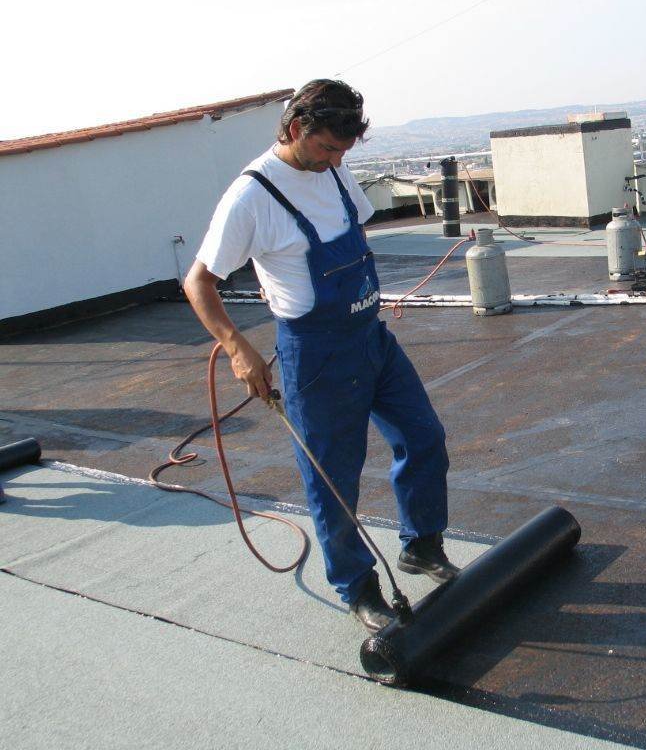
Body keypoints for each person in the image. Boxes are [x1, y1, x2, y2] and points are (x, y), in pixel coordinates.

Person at [184, 79, 459, 632]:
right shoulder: (251, 196)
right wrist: (238, 348)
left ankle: (421, 545)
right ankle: (357, 587)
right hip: (316, 355)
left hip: (370, 338)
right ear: (294, 129)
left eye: (343, 151)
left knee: (423, 436)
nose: (335, 160)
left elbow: (352, 232)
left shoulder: (334, 170)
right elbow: (199, 282)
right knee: (334, 477)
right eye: (327, 148)